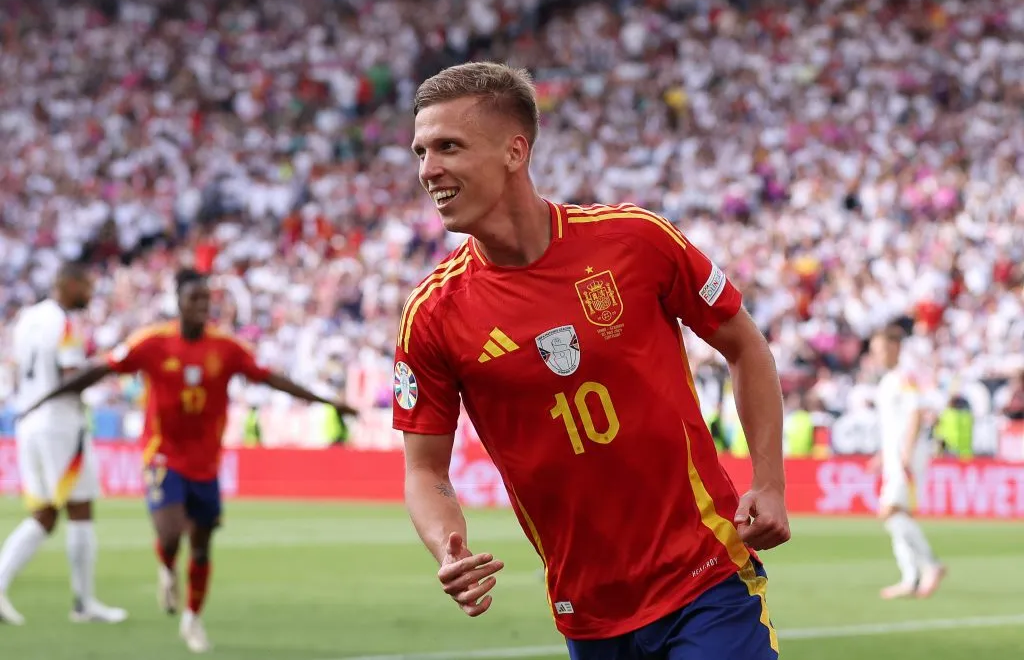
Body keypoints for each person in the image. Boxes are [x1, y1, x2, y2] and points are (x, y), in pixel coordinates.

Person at [394, 62, 790, 660]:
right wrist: (446, 544)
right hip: (587, 612)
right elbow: (425, 470)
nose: (428, 170)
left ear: (515, 151)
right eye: (421, 152)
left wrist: (769, 482)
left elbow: (745, 344)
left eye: (448, 147)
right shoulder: (432, 314)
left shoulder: (634, 240)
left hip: (705, 575)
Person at [22, 268, 357, 652]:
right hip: (162, 455)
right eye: (194, 299)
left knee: (201, 545)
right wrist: (42, 400)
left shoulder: (227, 348)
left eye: (206, 300)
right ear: (177, 301)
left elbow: (272, 379)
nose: (201, 306)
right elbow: (99, 370)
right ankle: (167, 567)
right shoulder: (151, 342)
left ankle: (192, 619)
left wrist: (328, 402)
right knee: (170, 535)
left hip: (206, 462)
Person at [0, 262, 128, 626]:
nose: (90, 293)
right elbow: (70, 377)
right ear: (69, 284)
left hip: (29, 421)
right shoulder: (64, 323)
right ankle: (84, 603)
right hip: (59, 423)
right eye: (86, 285)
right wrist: (107, 365)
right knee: (80, 507)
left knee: (45, 514)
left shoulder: (27, 318)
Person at [868, 323, 946, 600]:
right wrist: (883, 455)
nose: (876, 355)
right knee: (898, 516)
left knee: (890, 511)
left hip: (906, 455)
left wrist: (906, 453)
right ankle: (911, 578)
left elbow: (916, 413)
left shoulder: (904, 376)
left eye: (879, 349)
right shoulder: (888, 380)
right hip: (895, 455)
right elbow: (893, 424)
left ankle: (931, 565)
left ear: (894, 347)